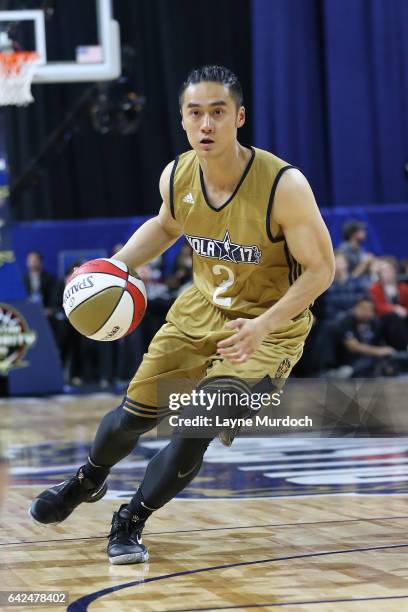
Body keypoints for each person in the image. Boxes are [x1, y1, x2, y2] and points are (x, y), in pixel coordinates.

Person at [29, 65, 335, 565]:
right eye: (196, 113)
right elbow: (166, 224)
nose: (206, 124)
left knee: (195, 424)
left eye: (217, 112)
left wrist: (263, 326)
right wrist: (115, 268)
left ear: (239, 116)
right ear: (183, 120)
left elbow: (321, 271)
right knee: (131, 418)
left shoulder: (284, 186)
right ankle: (89, 478)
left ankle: (130, 518)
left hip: (267, 330)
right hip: (198, 313)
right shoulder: (176, 175)